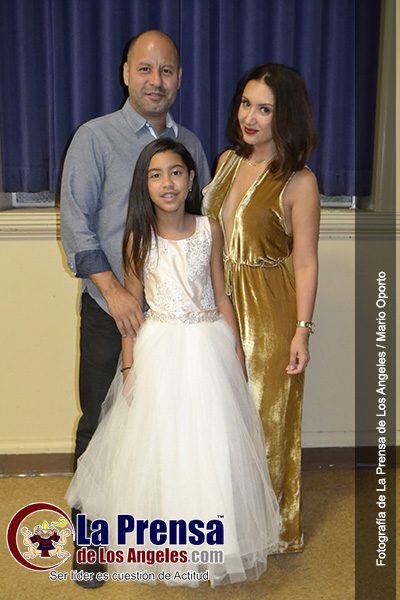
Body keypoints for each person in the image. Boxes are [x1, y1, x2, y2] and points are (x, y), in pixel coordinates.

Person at [66, 138, 280, 587]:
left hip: (208, 346)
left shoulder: (209, 229)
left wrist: (237, 352)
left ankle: (211, 539)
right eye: (156, 175)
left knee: (208, 442)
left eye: (176, 172)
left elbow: (221, 295)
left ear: (191, 178)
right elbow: (133, 310)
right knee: (163, 444)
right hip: (159, 347)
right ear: (144, 185)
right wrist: (129, 369)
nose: (167, 183)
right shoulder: (137, 238)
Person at [60, 30, 210, 585]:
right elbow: (76, 226)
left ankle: (161, 536)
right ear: (126, 73)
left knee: (171, 432)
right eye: (145, 69)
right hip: (113, 312)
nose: (155, 80)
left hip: (178, 326)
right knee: (101, 426)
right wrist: (116, 291)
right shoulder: (94, 138)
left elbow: (201, 231)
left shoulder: (191, 146)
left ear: (179, 78)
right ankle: (90, 542)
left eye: (166, 70)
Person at [203, 63, 320, 553]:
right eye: (246, 104)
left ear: (285, 115)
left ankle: (266, 532)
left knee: (263, 422)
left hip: (267, 311)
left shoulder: (299, 181)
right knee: (213, 418)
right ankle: (217, 525)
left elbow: (306, 262)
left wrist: (302, 330)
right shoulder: (227, 161)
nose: (249, 117)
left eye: (264, 109)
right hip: (213, 303)